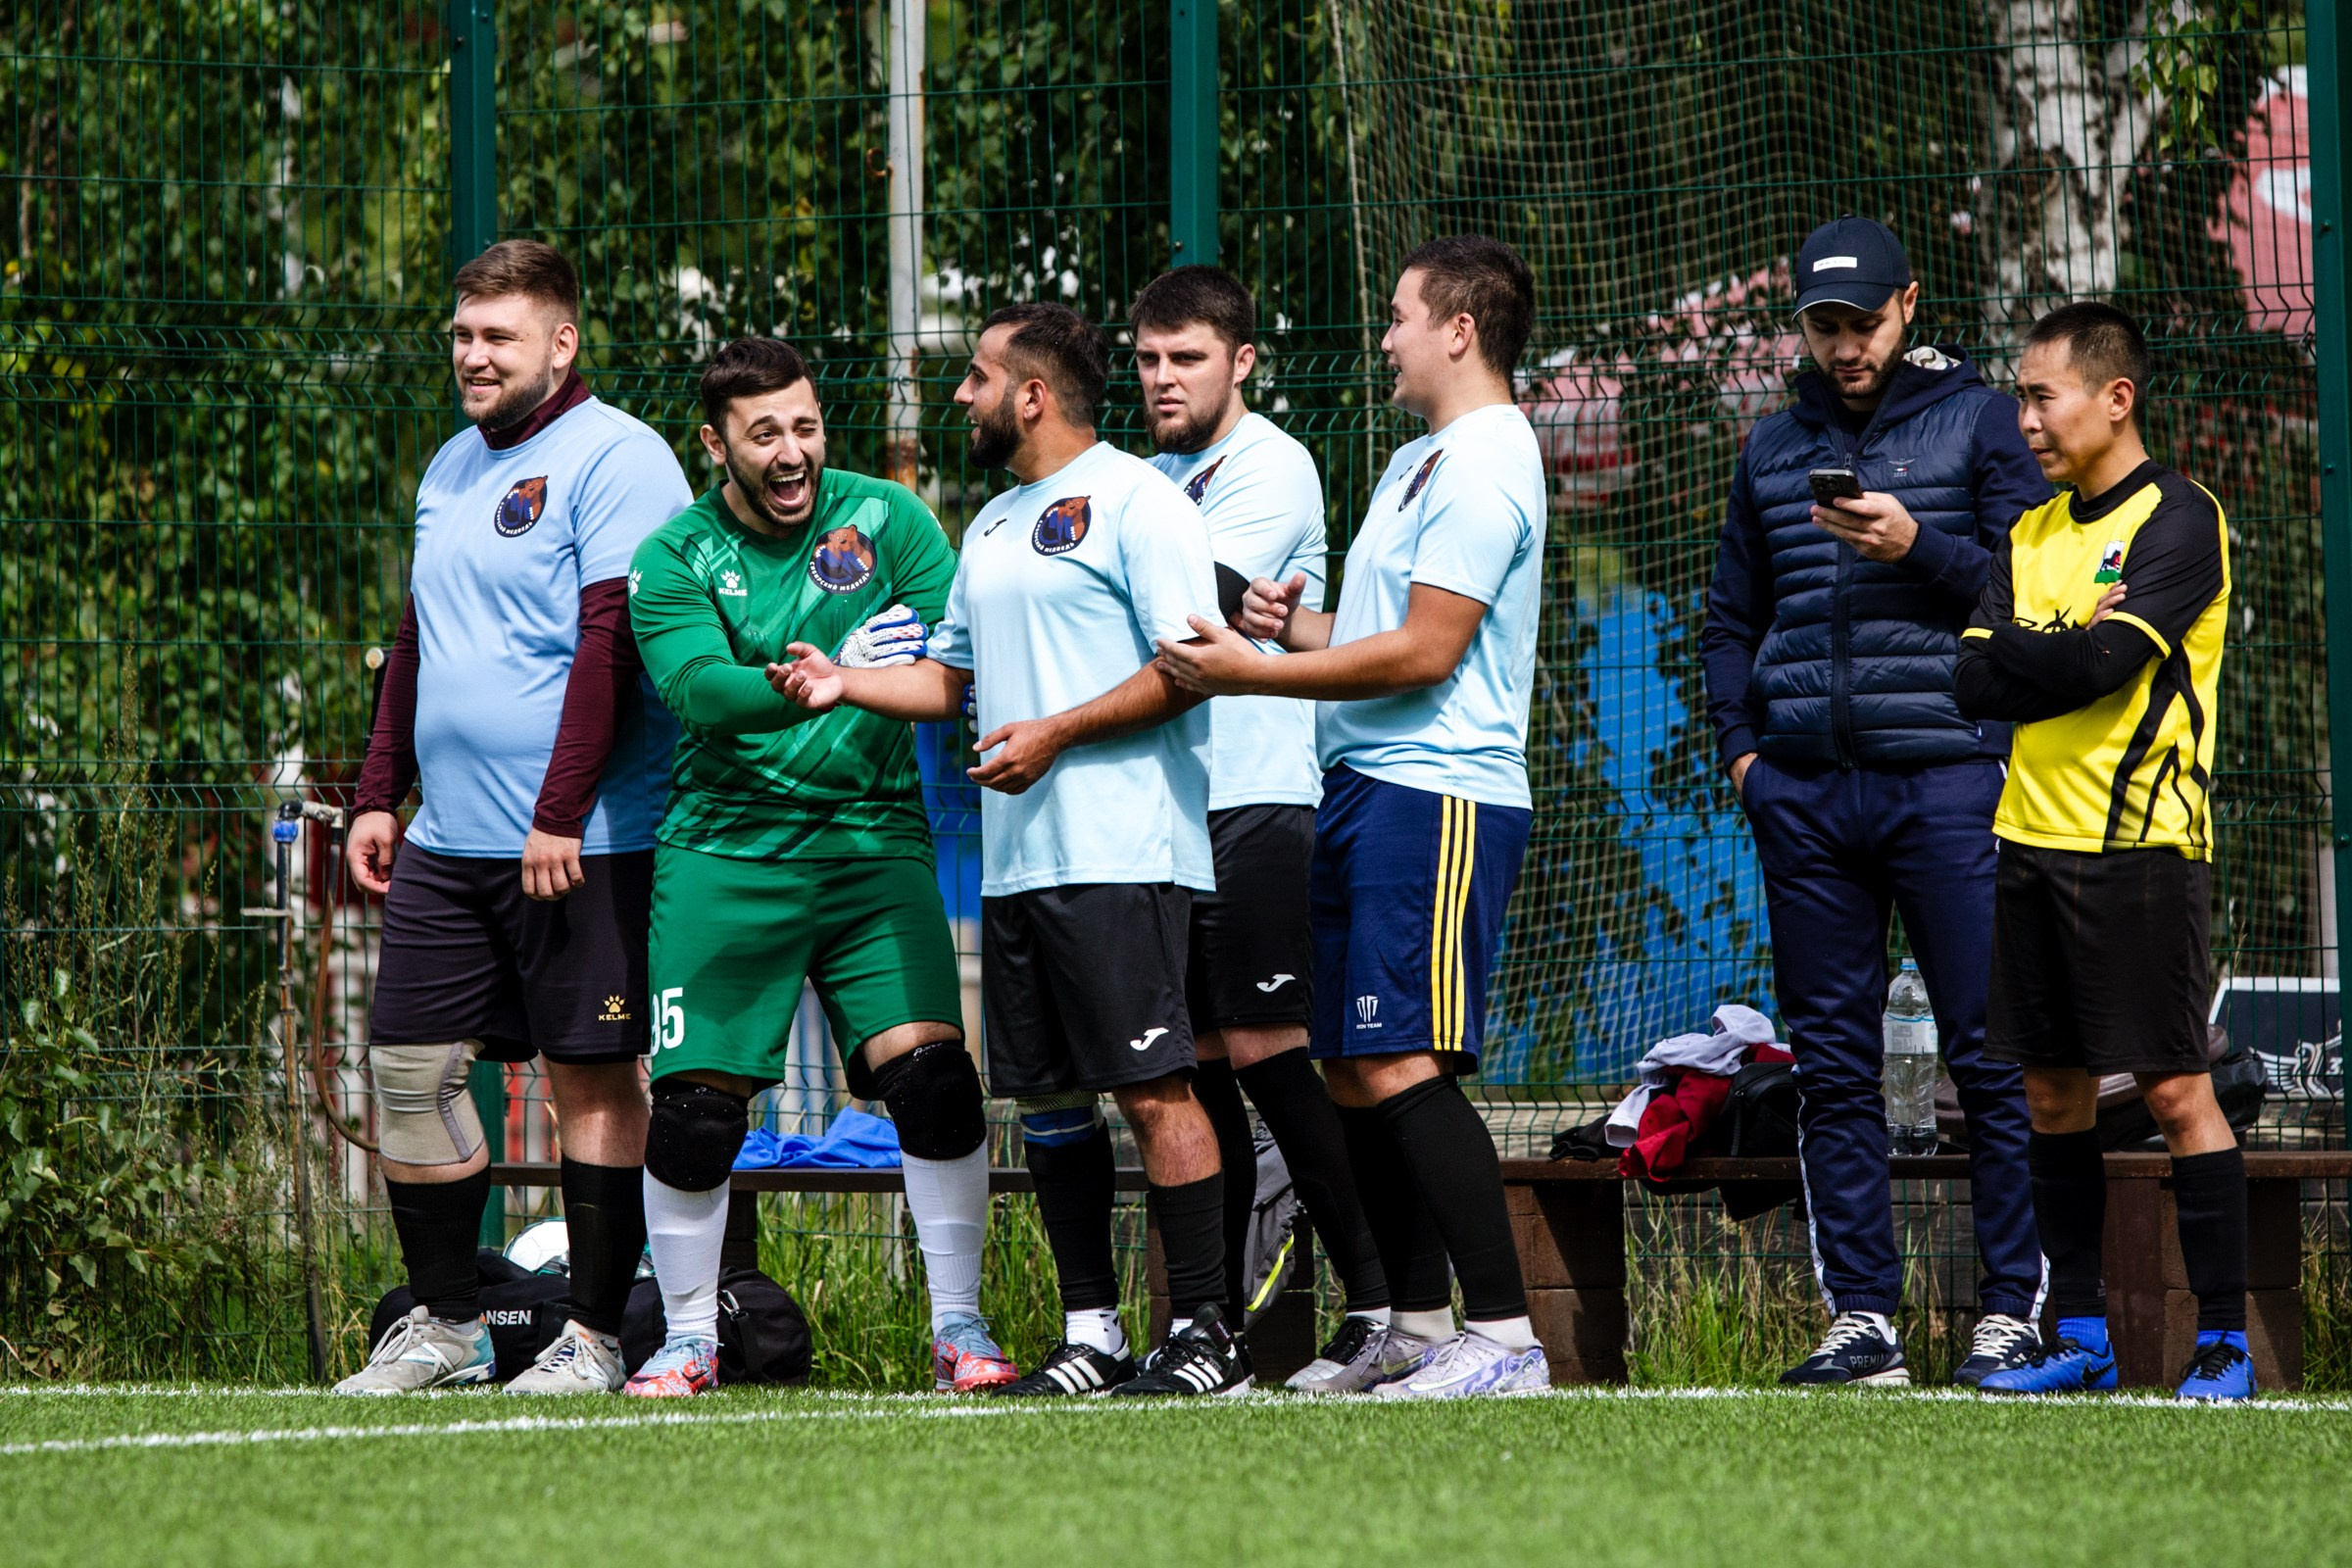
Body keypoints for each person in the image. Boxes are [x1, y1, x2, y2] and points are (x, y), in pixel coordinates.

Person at [775, 304, 1250, 1397]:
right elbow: (950, 679)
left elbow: (1192, 669)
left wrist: (1056, 734)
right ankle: (1095, 1333)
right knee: (1046, 1104)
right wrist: (846, 682)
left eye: (978, 377)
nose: (962, 395)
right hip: (1018, 862)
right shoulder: (990, 524)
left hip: (1124, 852)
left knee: (1153, 1091)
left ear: (1032, 395)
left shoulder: (1141, 501)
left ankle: (1209, 1333)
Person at [1157, 234, 1552, 1398]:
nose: (1384, 338)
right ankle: (1417, 1325)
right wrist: (1283, 627)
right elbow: (1371, 632)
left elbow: (1427, 652)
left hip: (1439, 791)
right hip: (1365, 786)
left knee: (1396, 1056)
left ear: (1459, 330)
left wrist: (1254, 673)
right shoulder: (1418, 461)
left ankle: (1507, 1338)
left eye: (1399, 317)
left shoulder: (1488, 460)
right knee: (1346, 1065)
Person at [615, 337, 1017, 1398]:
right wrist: (810, 681)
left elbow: (951, 669)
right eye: (764, 434)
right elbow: (699, 690)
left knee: (936, 1082)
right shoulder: (672, 555)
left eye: (804, 426)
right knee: (696, 1110)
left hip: (872, 845)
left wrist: (877, 677)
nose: (792, 452)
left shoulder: (891, 519)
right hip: (724, 853)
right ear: (716, 445)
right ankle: (689, 1339)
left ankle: (959, 1327)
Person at [1697, 216, 2050, 1388]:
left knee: (1988, 1056)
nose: (1845, 346)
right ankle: (1862, 1319)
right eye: (1824, 326)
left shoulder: (1983, 420)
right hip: (1804, 797)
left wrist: (1916, 546)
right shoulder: (1771, 444)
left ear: (1909, 304)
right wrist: (1747, 760)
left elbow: (2033, 594)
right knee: (1835, 1068)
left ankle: (2011, 1310)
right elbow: (1730, 619)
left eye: (1863, 322)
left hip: (1952, 780)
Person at [335, 240, 690, 1396]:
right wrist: (378, 792)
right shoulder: (449, 466)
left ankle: (592, 1336)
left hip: (582, 843)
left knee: (592, 1080)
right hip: (447, 842)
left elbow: (613, 642)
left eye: (499, 335)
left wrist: (559, 812)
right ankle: (446, 1327)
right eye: (462, 334)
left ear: (562, 342)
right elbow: (416, 639)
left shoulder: (620, 455)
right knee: (407, 1068)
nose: (473, 356)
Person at [1955, 302, 2253, 1401]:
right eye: (2021, 398)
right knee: (2050, 1095)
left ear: (2115, 398)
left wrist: (2042, 647)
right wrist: (2064, 642)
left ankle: (2223, 1342)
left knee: (2175, 1091)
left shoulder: (2181, 518)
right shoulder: (2030, 533)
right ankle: (2080, 1335)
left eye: (2043, 397)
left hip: (2141, 850)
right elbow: (1970, 680)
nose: (2025, 419)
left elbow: (2101, 670)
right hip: (2027, 841)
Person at [1129, 266, 1396, 1392]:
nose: (1163, 378)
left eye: (1186, 358)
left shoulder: (1271, 464)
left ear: (1240, 361)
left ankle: (1383, 1304)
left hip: (1258, 796)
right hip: (1167, 809)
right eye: (1148, 359)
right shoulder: (1144, 479)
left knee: (1268, 1053)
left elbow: (1188, 610)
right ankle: (1214, 1331)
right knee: (1196, 1064)